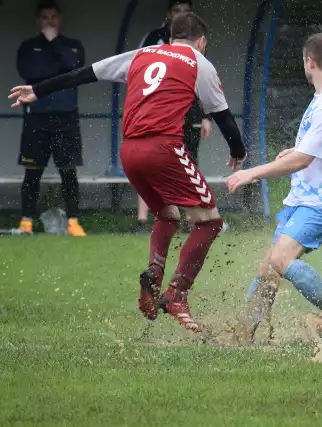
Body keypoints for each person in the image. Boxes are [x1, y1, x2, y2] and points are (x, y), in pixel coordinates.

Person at [8, 12, 247, 332]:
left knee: (167, 215)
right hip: (164, 148)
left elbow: (85, 73)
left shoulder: (142, 54)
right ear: (201, 42)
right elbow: (222, 116)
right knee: (210, 222)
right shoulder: (197, 61)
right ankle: (177, 294)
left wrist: (38, 90)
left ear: (170, 36)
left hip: (130, 151)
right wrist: (238, 152)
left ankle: (154, 274)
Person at [225, 32, 322, 343]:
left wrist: (252, 174)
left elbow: (302, 160)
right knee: (268, 267)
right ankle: (242, 335)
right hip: (309, 195)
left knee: (281, 261)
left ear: (310, 62)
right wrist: (298, 150)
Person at [16, 1, 86, 236]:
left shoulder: (73, 46)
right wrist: (55, 67)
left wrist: (53, 44)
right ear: (38, 21)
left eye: (53, 17)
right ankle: (26, 222)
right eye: (45, 18)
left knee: (68, 171)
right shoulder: (28, 47)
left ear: (60, 20)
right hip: (36, 118)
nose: (49, 22)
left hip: (66, 118)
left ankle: (73, 222)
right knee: (32, 172)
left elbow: (73, 69)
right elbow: (32, 73)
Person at [135, 0, 206, 233]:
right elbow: (138, 69)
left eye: (186, 11)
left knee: (188, 163)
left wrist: (206, 116)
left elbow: (203, 78)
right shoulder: (154, 38)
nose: (181, 16)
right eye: (177, 11)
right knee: (152, 165)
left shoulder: (197, 39)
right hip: (158, 111)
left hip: (189, 111)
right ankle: (144, 219)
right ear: (168, 14)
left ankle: (190, 218)